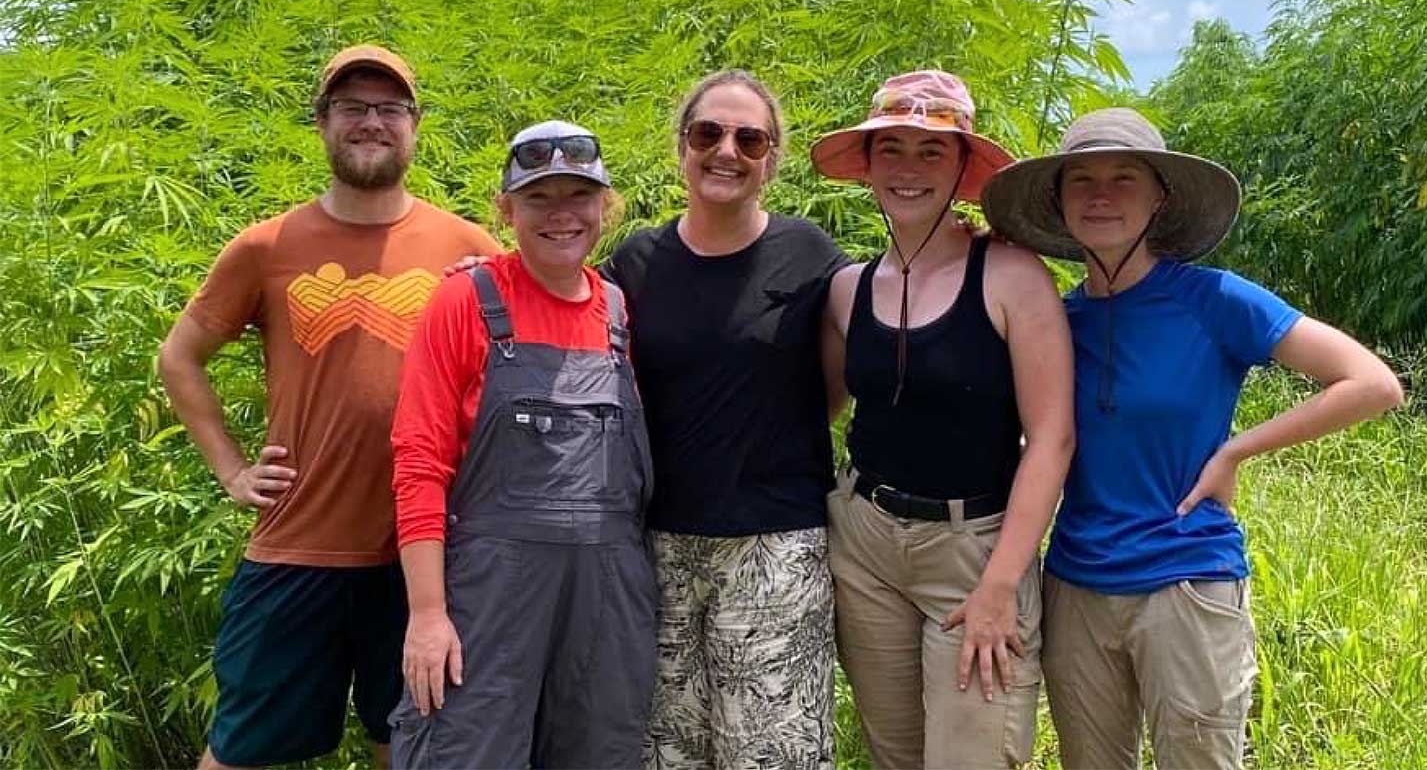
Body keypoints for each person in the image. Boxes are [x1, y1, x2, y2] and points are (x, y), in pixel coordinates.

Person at [981, 107, 1405, 770]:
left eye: (1124, 177)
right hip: (1076, 588)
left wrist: (1237, 449)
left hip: (1186, 581)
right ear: (1058, 202)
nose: (1100, 194)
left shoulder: (1213, 300)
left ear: (1161, 197)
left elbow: (1372, 382)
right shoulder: (1055, 321)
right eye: (1081, 179)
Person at [157, 45, 501, 769]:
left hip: (427, 555)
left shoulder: (468, 246)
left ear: (415, 124)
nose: (371, 122)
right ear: (322, 123)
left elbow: (523, 368)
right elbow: (178, 358)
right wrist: (232, 470)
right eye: (352, 107)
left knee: (409, 740)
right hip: (297, 543)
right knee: (239, 746)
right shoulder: (265, 246)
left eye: (389, 109)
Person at [810, 70, 1074, 769]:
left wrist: (1000, 584)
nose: (909, 169)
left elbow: (1053, 438)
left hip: (975, 547)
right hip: (864, 540)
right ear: (866, 165)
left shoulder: (1012, 274)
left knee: (974, 755)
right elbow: (821, 407)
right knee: (894, 752)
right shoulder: (847, 288)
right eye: (891, 148)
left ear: (963, 168)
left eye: (933, 151)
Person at [384, 121, 656, 768]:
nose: (561, 215)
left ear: (605, 205)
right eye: (539, 198)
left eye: (578, 196)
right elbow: (419, 462)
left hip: (606, 605)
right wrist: (427, 614)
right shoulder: (465, 300)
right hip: (488, 600)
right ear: (506, 210)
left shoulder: (619, 313)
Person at [601, 70, 848, 769]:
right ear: (682, 146)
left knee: (773, 754)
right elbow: (560, 316)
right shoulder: (636, 262)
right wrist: (487, 278)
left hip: (775, 543)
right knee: (667, 751)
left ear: (771, 158)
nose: (727, 151)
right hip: (659, 546)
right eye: (708, 133)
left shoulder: (809, 254)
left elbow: (841, 381)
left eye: (750, 137)